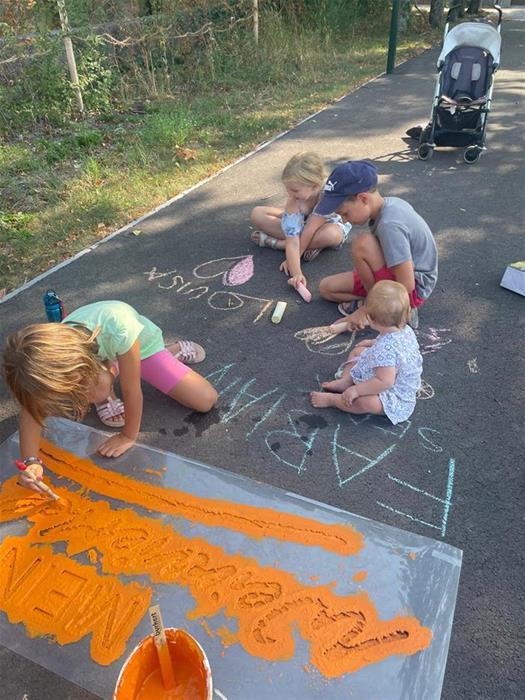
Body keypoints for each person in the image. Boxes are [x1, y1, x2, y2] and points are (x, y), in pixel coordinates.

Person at [2, 300, 218, 491]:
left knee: (205, 400)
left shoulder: (120, 328)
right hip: (101, 355)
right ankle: (110, 372)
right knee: (97, 390)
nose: (64, 400)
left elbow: (132, 390)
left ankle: (172, 351)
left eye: (68, 389)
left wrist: (128, 436)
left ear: (79, 369)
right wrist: (31, 461)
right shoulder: (40, 362)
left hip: (139, 347)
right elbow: (31, 409)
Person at [317, 160, 438, 330]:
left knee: (362, 244)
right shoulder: (389, 204)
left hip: (411, 291)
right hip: (394, 274)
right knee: (327, 288)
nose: (343, 219)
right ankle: (376, 306)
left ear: (363, 199)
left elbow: (407, 284)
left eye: (345, 213)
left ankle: (401, 311)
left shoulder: (390, 225)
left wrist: (365, 310)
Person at [310, 281, 422, 424]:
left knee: (366, 403)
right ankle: (346, 380)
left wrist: (357, 390)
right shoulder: (405, 329)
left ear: (371, 320)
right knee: (358, 351)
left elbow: (385, 382)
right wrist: (372, 343)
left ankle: (333, 400)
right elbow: (395, 348)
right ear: (407, 314)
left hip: (393, 394)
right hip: (385, 371)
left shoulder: (385, 349)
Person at [250, 152, 352, 291]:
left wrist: (293, 259)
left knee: (331, 234)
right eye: (287, 189)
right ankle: (312, 245)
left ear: (315, 185)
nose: (290, 195)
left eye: (295, 190)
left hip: (329, 226)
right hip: (305, 226)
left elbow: (311, 229)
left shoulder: (327, 196)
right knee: (258, 213)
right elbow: (293, 240)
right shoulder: (294, 201)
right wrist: (297, 273)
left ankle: (279, 244)